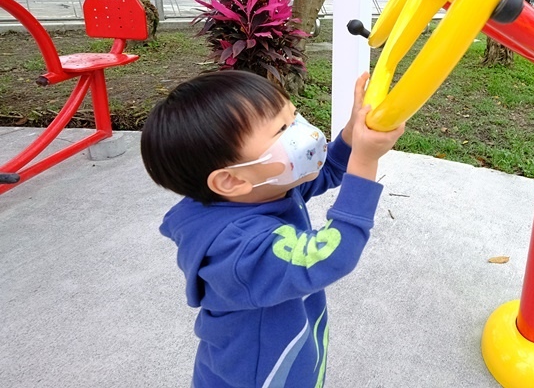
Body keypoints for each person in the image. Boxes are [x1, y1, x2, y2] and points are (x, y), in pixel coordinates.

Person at [141, 69, 404, 388]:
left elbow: (329, 169)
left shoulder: (264, 188)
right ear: (232, 179)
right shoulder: (242, 250)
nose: (303, 133)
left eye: (294, 115)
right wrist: (365, 161)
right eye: (283, 129)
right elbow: (331, 254)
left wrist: (352, 132)